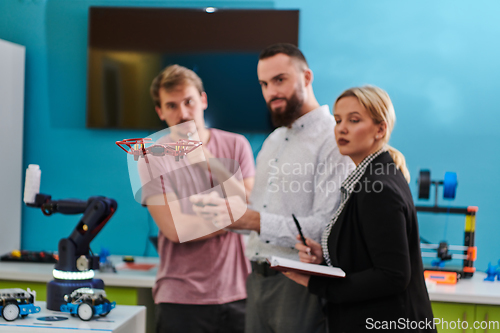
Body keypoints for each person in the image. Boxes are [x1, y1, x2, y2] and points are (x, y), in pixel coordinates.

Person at [193, 44, 354, 333]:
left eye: (280, 80)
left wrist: (252, 220)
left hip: (300, 284)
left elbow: (327, 229)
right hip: (255, 281)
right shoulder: (273, 142)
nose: (271, 92)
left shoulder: (333, 140)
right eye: (264, 84)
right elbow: (258, 216)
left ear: (306, 77)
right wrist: (229, 217)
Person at [285, 85, 437, 332]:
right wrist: (324, 257)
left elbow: (393, 275)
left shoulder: (379, 187)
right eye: (337, 120)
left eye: (354, 120)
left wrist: (316, 283)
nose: (341, 128)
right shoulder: (373, 176)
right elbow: (368, 254)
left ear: (381, 129)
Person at [139, 64, 255, 333]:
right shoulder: (149, 155)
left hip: (240, 294)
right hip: (181, 299)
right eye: (171, 106)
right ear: (160, 112)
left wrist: (208, 162)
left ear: (203, 100)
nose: (183, 113)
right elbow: (176, 229)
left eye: (189, 101)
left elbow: (251, 202)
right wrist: (238, 218)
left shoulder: (237, 145)